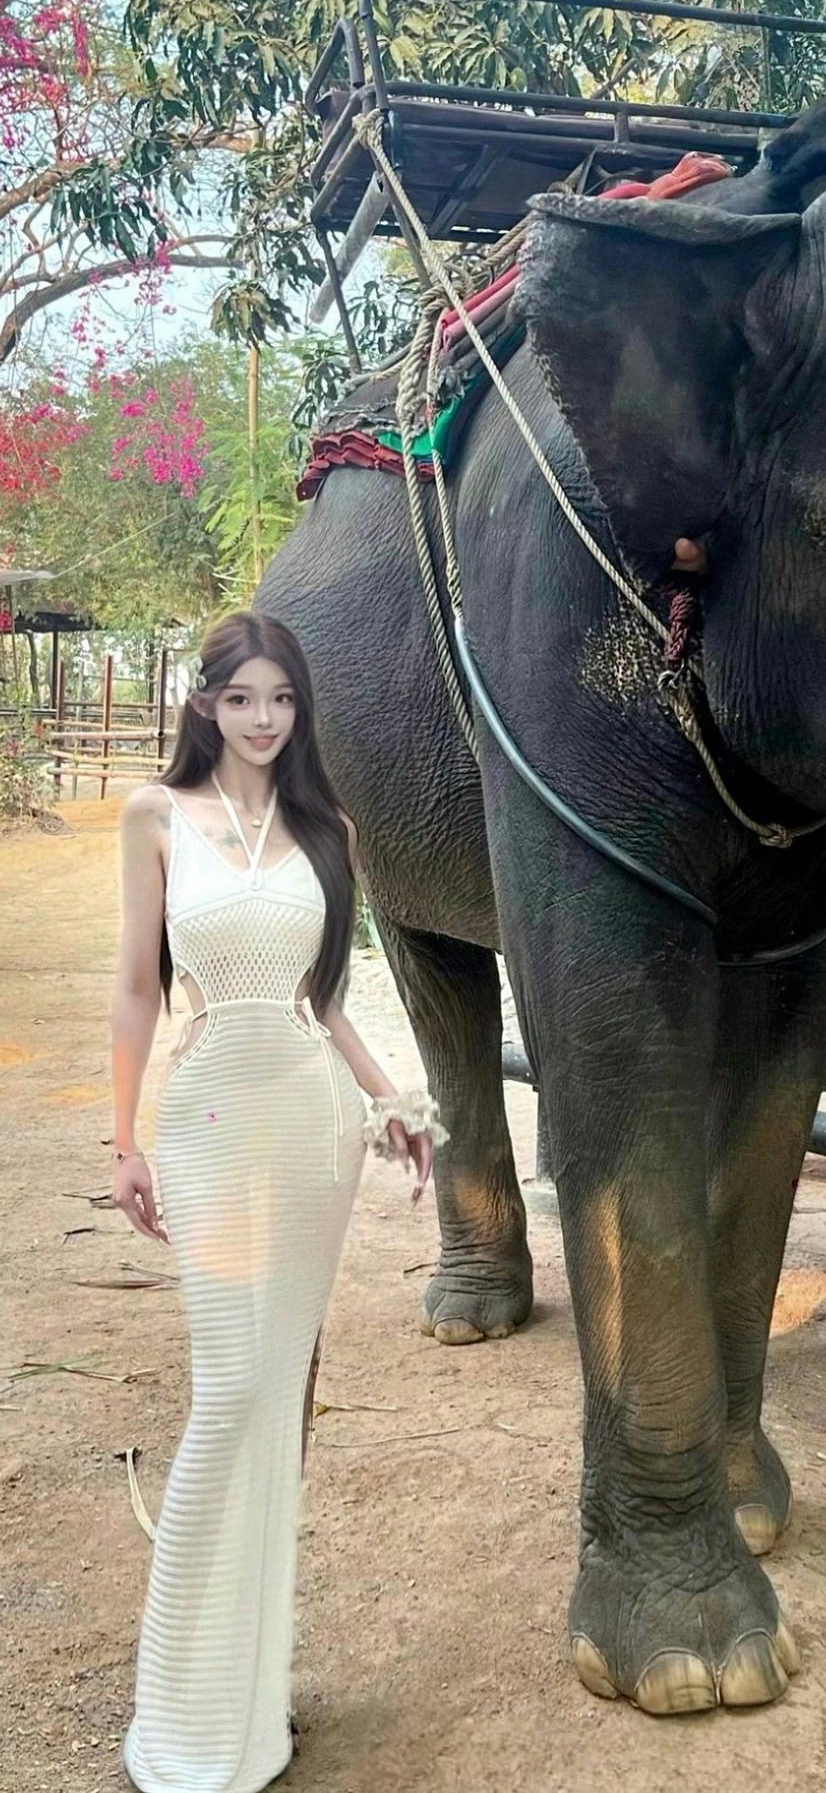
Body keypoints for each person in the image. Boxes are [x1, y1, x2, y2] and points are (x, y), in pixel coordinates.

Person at [110, 609, 445, 1793]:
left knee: (274, 1392)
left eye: (282, 699)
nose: (263, 718)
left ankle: (249, 1707)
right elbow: (137, 988)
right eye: (242, 697)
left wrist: (392, 1100)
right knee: (230, 1390)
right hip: (206, 1118)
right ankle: (182, 1701)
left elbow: (327, 1000)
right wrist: (123, 1139)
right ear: (205, 704)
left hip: (310, 1126)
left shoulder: (326, 830)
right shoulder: (155, 817)